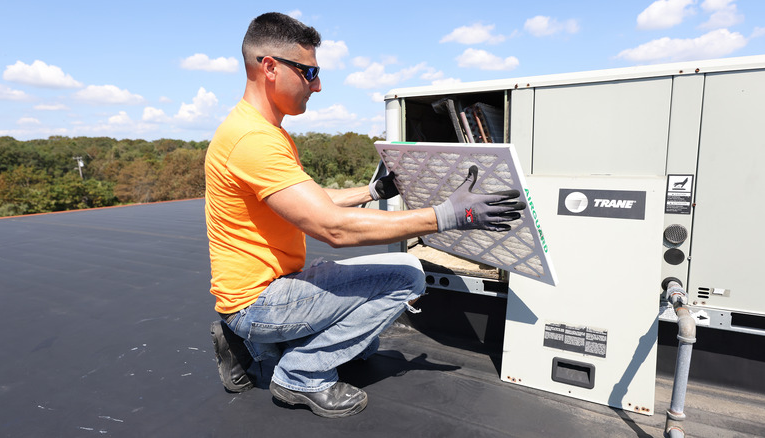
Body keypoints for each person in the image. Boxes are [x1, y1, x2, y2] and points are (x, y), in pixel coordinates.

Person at [205, 12, 525, 418]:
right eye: (309, 72)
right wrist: (448, 215)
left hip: (268, 289)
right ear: (270, 67)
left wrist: (373, 191)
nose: (317, 85)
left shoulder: (260, 131)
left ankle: (249, 344)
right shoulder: (254, 140)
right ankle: (299, 376)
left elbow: (312, 200)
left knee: (365, 343)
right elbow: (331, 227)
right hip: (261, 302)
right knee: (406, 276)